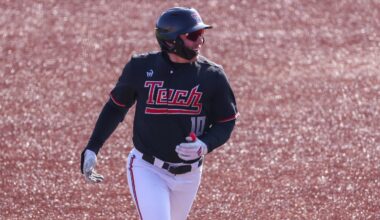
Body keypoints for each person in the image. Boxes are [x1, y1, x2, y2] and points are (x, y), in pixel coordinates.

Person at [80, 6, 238, 220]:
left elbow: (226, 121)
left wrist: (205, 144)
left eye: (201, 34)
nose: (200, 40)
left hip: (190, 174)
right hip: (148, 168)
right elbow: (116, 107)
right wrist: (93, 147)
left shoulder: (213, 76)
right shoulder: (140, 67)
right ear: (171, 41)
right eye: (193, 35)